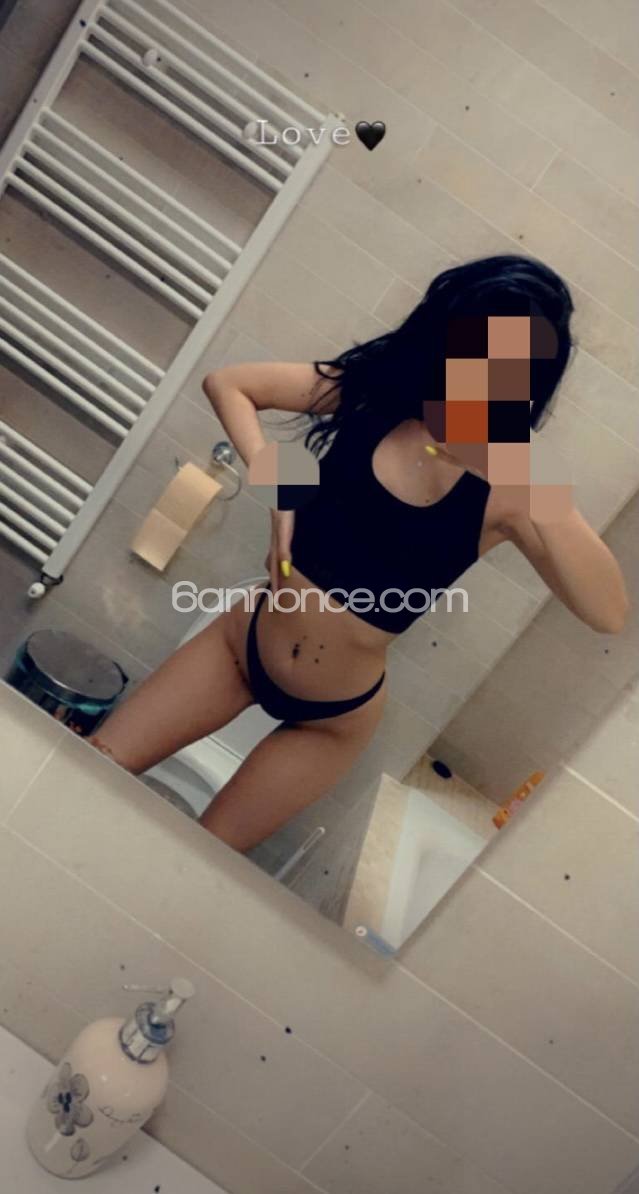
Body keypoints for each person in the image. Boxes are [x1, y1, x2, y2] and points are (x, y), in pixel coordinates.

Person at [89, 255, 629, 852]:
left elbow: (608, 612)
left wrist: (529, 470)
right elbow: (231, 384)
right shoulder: (376, 393)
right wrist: (280, 487)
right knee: (90, 770)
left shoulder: (511, 488)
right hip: (239, 648)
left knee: (200, 859)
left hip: (329, 719)